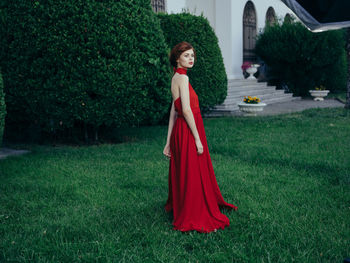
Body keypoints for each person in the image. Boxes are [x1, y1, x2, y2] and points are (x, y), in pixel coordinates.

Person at [163, 41, 238, 233]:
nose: (191, 59)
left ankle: (185, 205)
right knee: (192, 170)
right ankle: (192, 210)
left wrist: (168, 141)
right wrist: (197, 138)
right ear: (177, 57)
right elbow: (185, 110)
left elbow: (173, 110)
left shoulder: (175, 78)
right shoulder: (183, 79)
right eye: (186, 55)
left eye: (192, 56)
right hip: (188, 130)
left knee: (187, 170)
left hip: (180, 130)